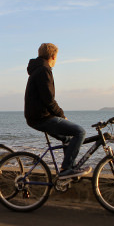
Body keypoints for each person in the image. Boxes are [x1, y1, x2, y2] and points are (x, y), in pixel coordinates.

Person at [24, 43, 91, 179]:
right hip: (42, 117)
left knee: (68, 138)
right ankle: (67, 169)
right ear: (54, 56)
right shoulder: (44, 70)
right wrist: (62, 115)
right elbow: (48, 99)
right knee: (80, 132)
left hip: (35, 117)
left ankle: (67, 171)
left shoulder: (38, 69)